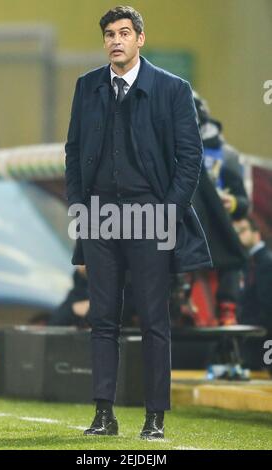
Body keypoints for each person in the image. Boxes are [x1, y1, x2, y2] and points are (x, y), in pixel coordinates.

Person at [65, 6, 211, 440]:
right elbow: (73, 152)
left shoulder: (172, 89)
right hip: (100, 216)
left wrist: (168, 210)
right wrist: (79, 208)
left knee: (153, 320)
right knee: (102, 320)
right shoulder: (87, 86)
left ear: (140, 39)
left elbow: (191, 159)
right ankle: (103, 414)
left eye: (124, 33)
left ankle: (155, 418)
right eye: (109, 34)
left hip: (152, 214)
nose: (116, 40)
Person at [192, 92, 249, 325]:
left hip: (216, 225)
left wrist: (232, 203)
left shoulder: (226, 155)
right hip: (178, 225)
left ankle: (227, 307)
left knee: (233, 252)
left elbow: (243, 204)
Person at [233, 216, 272, 330]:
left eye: (242, 230)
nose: (238, 235)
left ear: (256, 232)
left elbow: (265, 303)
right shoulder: (248, 261)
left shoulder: (266, 262)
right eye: (235, 232)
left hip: (262, 331)